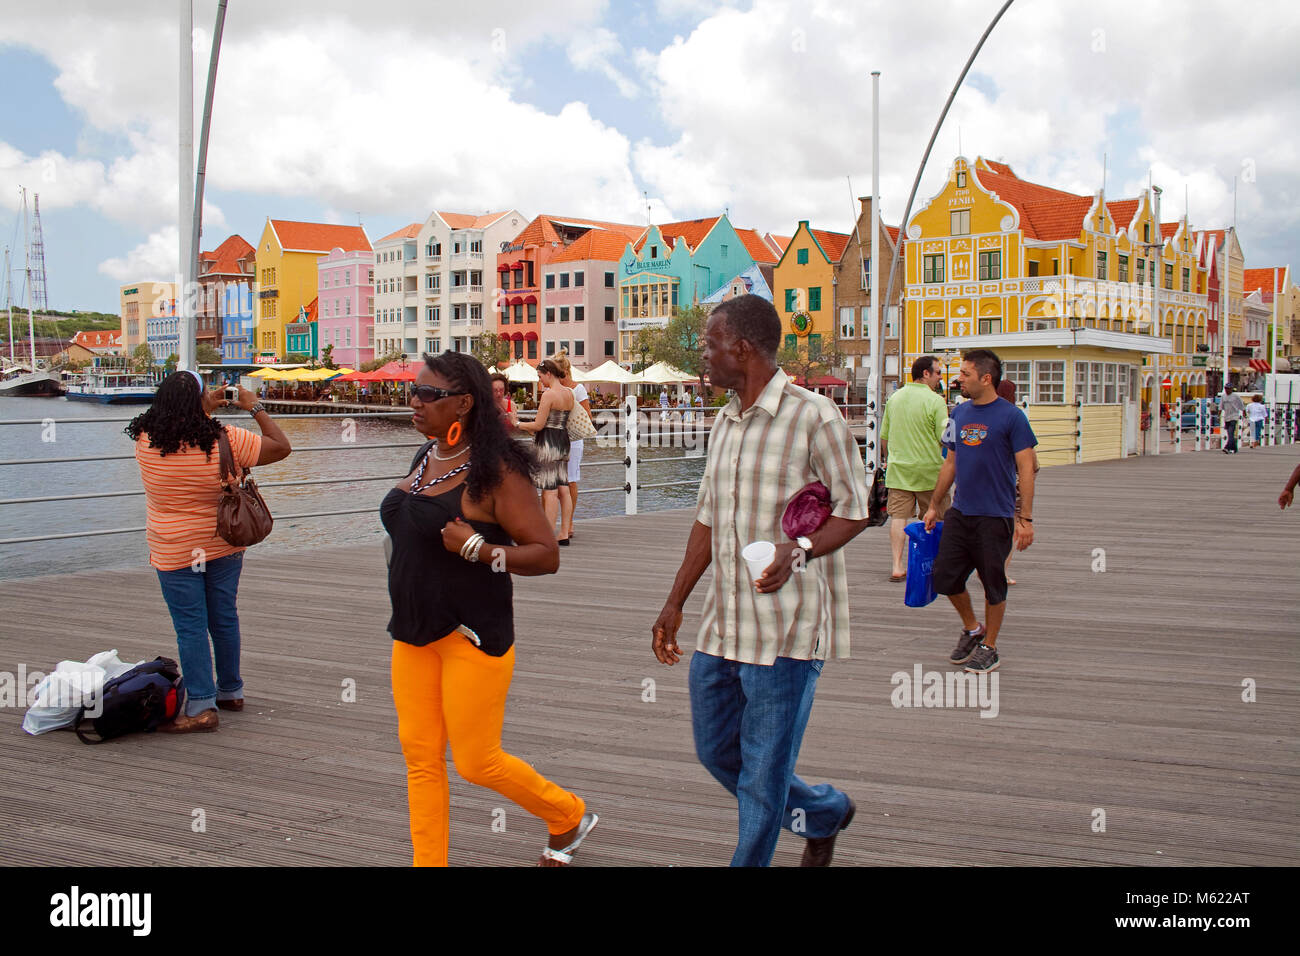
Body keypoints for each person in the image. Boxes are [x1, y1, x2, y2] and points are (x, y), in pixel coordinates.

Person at [651, 294, 871, 867]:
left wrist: (797, 547)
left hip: (786, 630)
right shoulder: (725, 419)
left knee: (762, 775)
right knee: (717, 752)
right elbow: (707, 517)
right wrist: (675, 601)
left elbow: (856, 509)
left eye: (709, 343)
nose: (703, 354)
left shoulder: (813, 417)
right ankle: (822, 812)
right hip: (722, 626)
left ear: (741, 349)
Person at [383, 351, 596, 867]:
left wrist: (478, 549)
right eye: (415, 390)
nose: (414, 400)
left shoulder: (496, 473)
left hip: (470, 635)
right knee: (421, 760)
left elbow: (546, 555)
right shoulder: (426, 457)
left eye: (426, 394)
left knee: (477, 762)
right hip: (412, 634)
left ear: (462, 404)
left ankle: (567, 814)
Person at [126, 370, 292, 732]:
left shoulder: (143, 439)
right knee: (224, 617)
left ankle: (201, 704)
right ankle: (230, 690)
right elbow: (281, 447)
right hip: (223, 542)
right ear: (201, 401)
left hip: (173, 547)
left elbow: (176, 423)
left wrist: (201, 402)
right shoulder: (225, 438)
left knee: (190, 627)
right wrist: (254, 406)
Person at [924, 349, 1037, 674]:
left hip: (995, 515)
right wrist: (934, 505)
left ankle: (990, 647)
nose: (959, 379)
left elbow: (1026, 469)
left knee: (993, 584)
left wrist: (1024, 518)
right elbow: (950, 462)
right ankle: (973, 628)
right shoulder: (959, 414)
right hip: (961, 512)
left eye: (965, 374)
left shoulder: (1012, 417)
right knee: (945, 577)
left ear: (986, 378)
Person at [880, 355, 949, 582]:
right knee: (937, 518)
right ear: (926, 374)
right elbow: (945, 437)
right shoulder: (936, 401)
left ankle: (897, 565)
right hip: (929, 471)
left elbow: (884, 437)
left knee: (899, 518)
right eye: (937, 372)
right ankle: (936, 563)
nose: (940, 377)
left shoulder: (894, 398)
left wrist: (889, 458)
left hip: (899, 470)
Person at [514, 358, 574, 544]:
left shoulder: (549, 395)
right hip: (563, 440)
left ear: (548, 373)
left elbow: (539, 424)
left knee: (549, 490)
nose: (540, 380)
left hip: (548, 442)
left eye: (540, 376)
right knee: (563, 487)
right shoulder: (569, 393)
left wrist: (516, 423)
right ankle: (564, 533)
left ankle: (547, 535)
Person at [995, 379, 1038, 586]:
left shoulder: (983, 413)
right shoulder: (1014, 416)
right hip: (1011, 482)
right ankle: (1001, 570)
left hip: (984, 483)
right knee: (1010, 528)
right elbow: (1031, 458)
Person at [555, 352, 590, 542]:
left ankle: (568, 522)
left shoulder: (578, 389)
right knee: (556, 482)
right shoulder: (553, 389)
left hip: (573, 440)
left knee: (571, 480)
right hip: (557, 439)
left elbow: (587, 416)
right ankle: (561, 522)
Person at [1222, 385, 1244, 453]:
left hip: (1234, 416)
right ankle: (1234, 448)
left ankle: (1227, 447)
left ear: (1231, 389)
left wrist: (1243, 411)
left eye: (1228, 389)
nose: (1227, 390)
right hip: (1227, 417)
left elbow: (1241, 404)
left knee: (1231, 432)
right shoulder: (1223, 396)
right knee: (1229, 433)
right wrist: (1218, 414)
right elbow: (1221, 406)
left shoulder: (1236, 396)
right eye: (1226, 388)